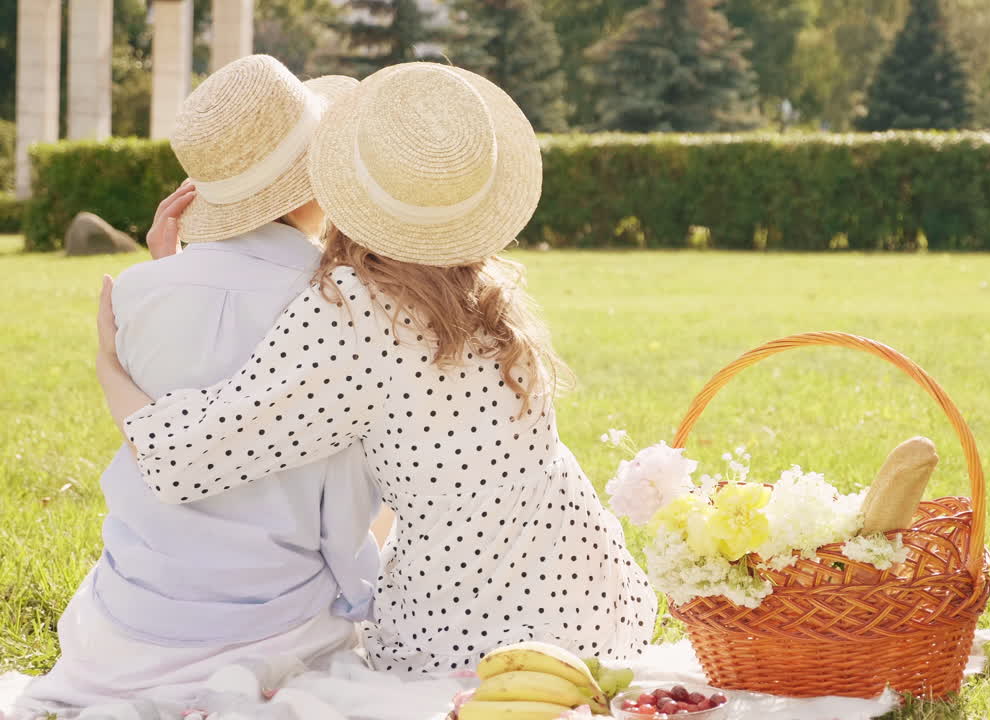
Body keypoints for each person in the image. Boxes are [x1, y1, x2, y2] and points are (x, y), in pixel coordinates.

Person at [94, 62, 657, 677]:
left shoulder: (352, 309)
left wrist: (112, 359)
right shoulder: (486, 290)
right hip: (596, 598)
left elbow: (187, 459)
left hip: (469, 636)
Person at [13, 57, 380, 718]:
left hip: (129, 629)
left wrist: (167, 273)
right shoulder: (338, 307)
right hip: (277, 624)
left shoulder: (137, 294)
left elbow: (191, 378)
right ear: (316, 181)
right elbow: (342, 509)